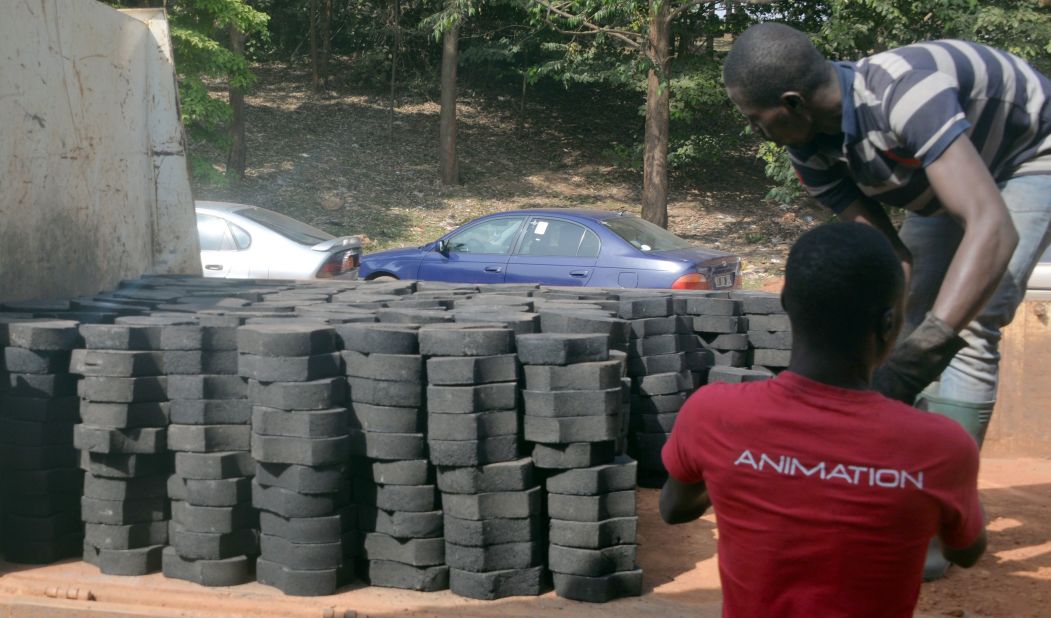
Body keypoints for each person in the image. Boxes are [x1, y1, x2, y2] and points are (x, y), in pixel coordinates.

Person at [720, 23, 1051, 450]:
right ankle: (891, 467)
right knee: (907, 318)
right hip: (948, 178)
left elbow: (993, 227)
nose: (755, 132)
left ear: (792, 104)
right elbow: (890, 258)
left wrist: (915, 361)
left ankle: (939, 495)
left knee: (969, 323)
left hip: (1028, 153)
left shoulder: (903, 94)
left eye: (754, 119)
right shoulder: (810, 152)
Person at [660, 222, 986, 617]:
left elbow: (674, 509)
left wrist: (744, 463)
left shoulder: (713, 413)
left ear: (786, 303)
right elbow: (965, 551)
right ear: (889, 325)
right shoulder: (941, 446)